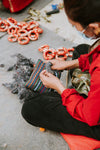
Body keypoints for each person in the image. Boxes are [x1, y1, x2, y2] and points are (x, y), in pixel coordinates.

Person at [21, 0, 100, 140]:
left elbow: (90, 116)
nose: (76, 30)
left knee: (32, 108)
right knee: (82, 50)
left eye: (75, 26)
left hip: (94, 118)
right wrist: (68, 65)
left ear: (93, 27)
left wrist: (59, 88)